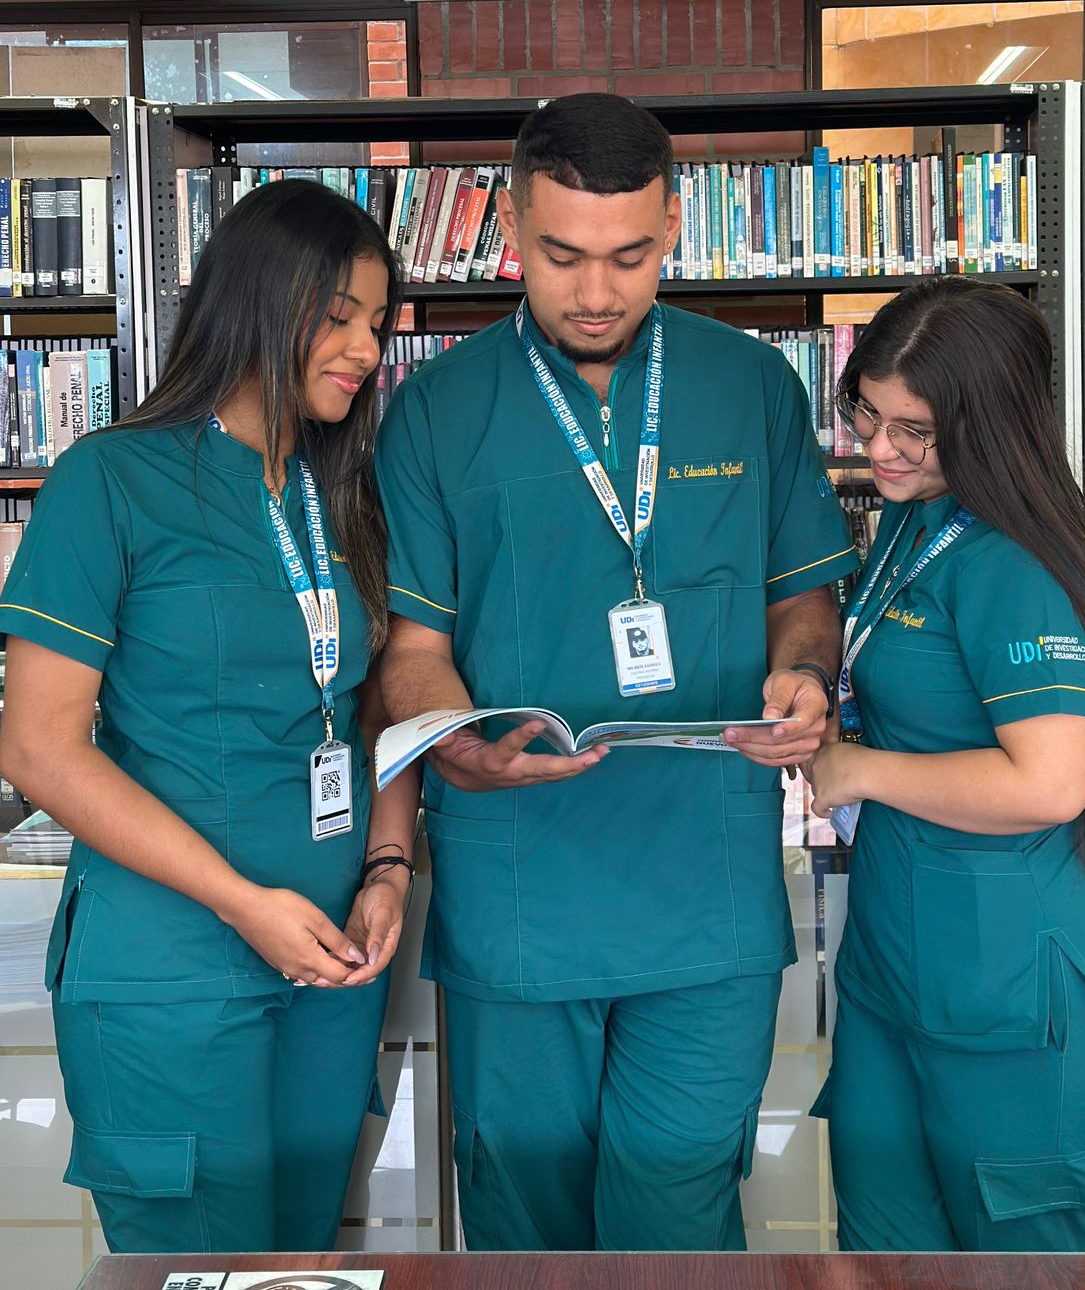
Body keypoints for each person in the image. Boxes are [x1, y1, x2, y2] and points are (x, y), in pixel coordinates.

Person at [375, 92, 860, 1252]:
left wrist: (805, 679)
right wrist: (452, 739)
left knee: (677, 1224)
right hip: (521, 889)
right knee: (526, 1226)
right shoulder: (436, 412)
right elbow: (412, 649)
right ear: (510, 231)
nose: (596, 291)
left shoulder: (751, 386)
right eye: (564, 255)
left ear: (677, 229)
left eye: (630, 256)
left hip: (708, 889)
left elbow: (805, 596)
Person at [0, 179, 421, 1254]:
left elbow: (377, 706)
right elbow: (40, 749)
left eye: (376, 322)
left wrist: (385, 869)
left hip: (331, 963)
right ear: (257, 299)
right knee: (200, 1272)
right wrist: (243, 902)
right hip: (175, 966)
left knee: (301, 1263)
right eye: (338, 317)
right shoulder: (111, 480)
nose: (365, 348)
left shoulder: (342, 494)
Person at [804, 276, 1085, 1253]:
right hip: (897, 969)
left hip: (1019, 997)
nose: (878, 447)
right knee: (881, 1261)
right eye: (865, 412)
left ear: (988, 426)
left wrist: (861, 771)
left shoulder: (1012, 562)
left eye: (913, 429)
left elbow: (1050, 784)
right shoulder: (908, 520)